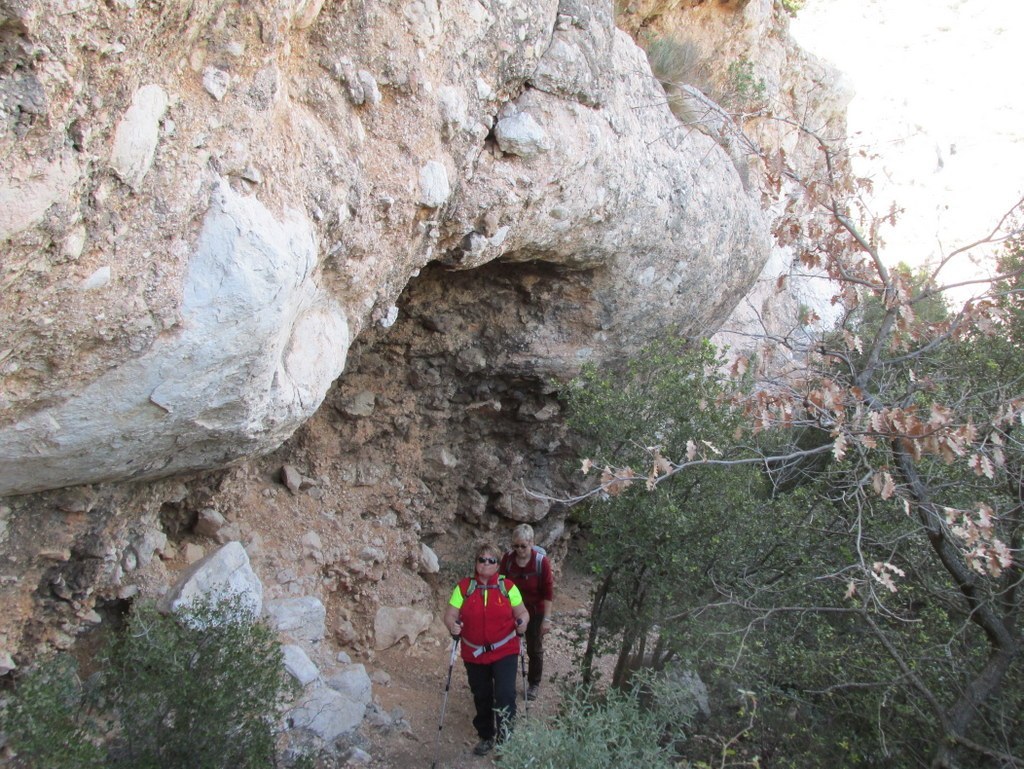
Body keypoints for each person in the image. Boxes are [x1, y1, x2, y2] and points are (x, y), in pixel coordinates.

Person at [443, 542, 529, 756]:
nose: (486, 563)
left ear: (498, 565)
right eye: (482, 559)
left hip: (505, 649)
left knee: (505, 694)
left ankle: (505, 740)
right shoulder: (464, 587)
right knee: (481, 695)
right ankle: (486, 736)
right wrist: (452, 625)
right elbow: (450, 614)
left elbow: (523, 613)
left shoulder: (507, 587)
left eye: (491, 560)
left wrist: (523, 622)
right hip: (474, 652)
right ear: (476, 562)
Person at [499, 524, 554, 702]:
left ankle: (534, 683)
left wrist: (547, 618)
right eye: (516, 546)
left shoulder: (540, 562)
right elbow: (501, 583)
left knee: (534, 647)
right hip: (511, 610)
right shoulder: (507, 559)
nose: (519, 550)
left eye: (523, 546)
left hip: (535, 611)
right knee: (507, 646)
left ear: (531, 542)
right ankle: (505, 681)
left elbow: (548, 592)